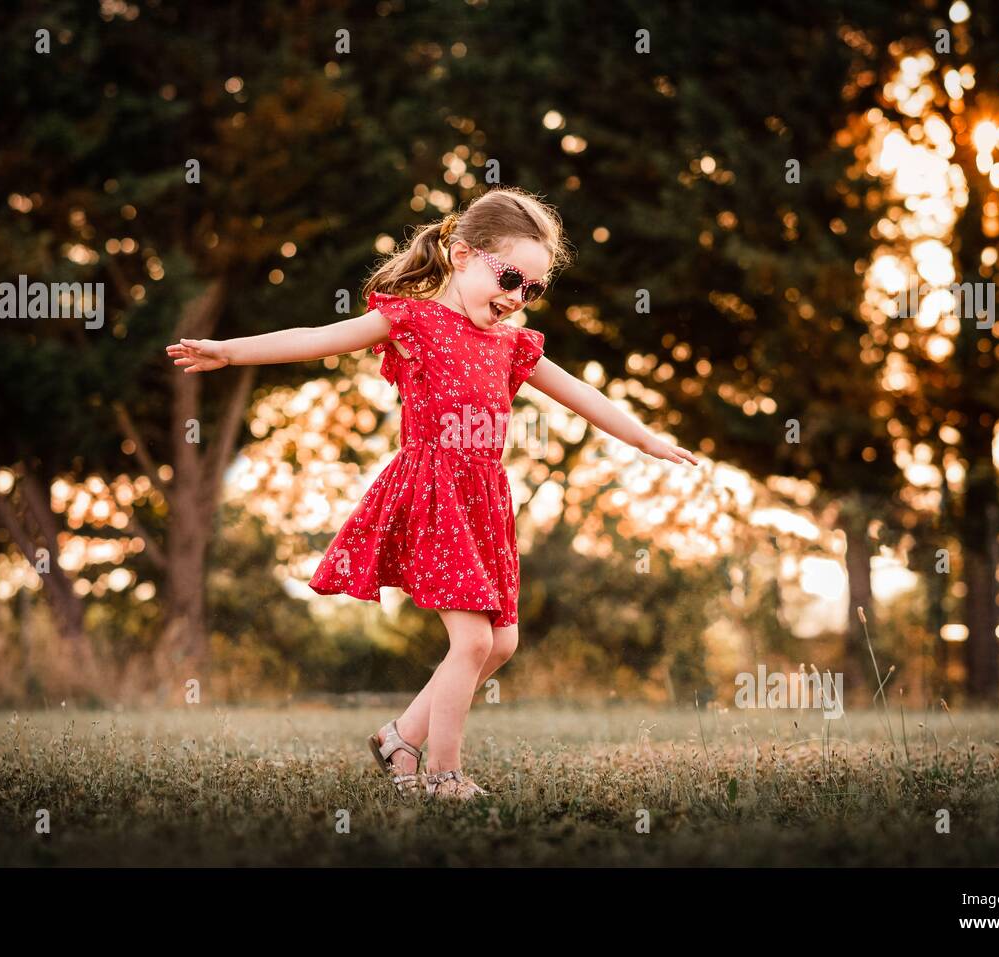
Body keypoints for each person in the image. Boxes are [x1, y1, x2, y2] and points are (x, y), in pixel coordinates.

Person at [166, 187, 699, 801]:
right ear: (463, 254)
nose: (516, 298)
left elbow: (587, 397)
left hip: (486, 500)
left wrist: (645, 439)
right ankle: (444, 774)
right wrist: (229, 352)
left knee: (501, 642)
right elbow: (315, 336)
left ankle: (398, 737)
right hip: (434, 491)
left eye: (532, 289)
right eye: (508, 278)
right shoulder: (411, 321)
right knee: (471, 640)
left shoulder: (511, 344)